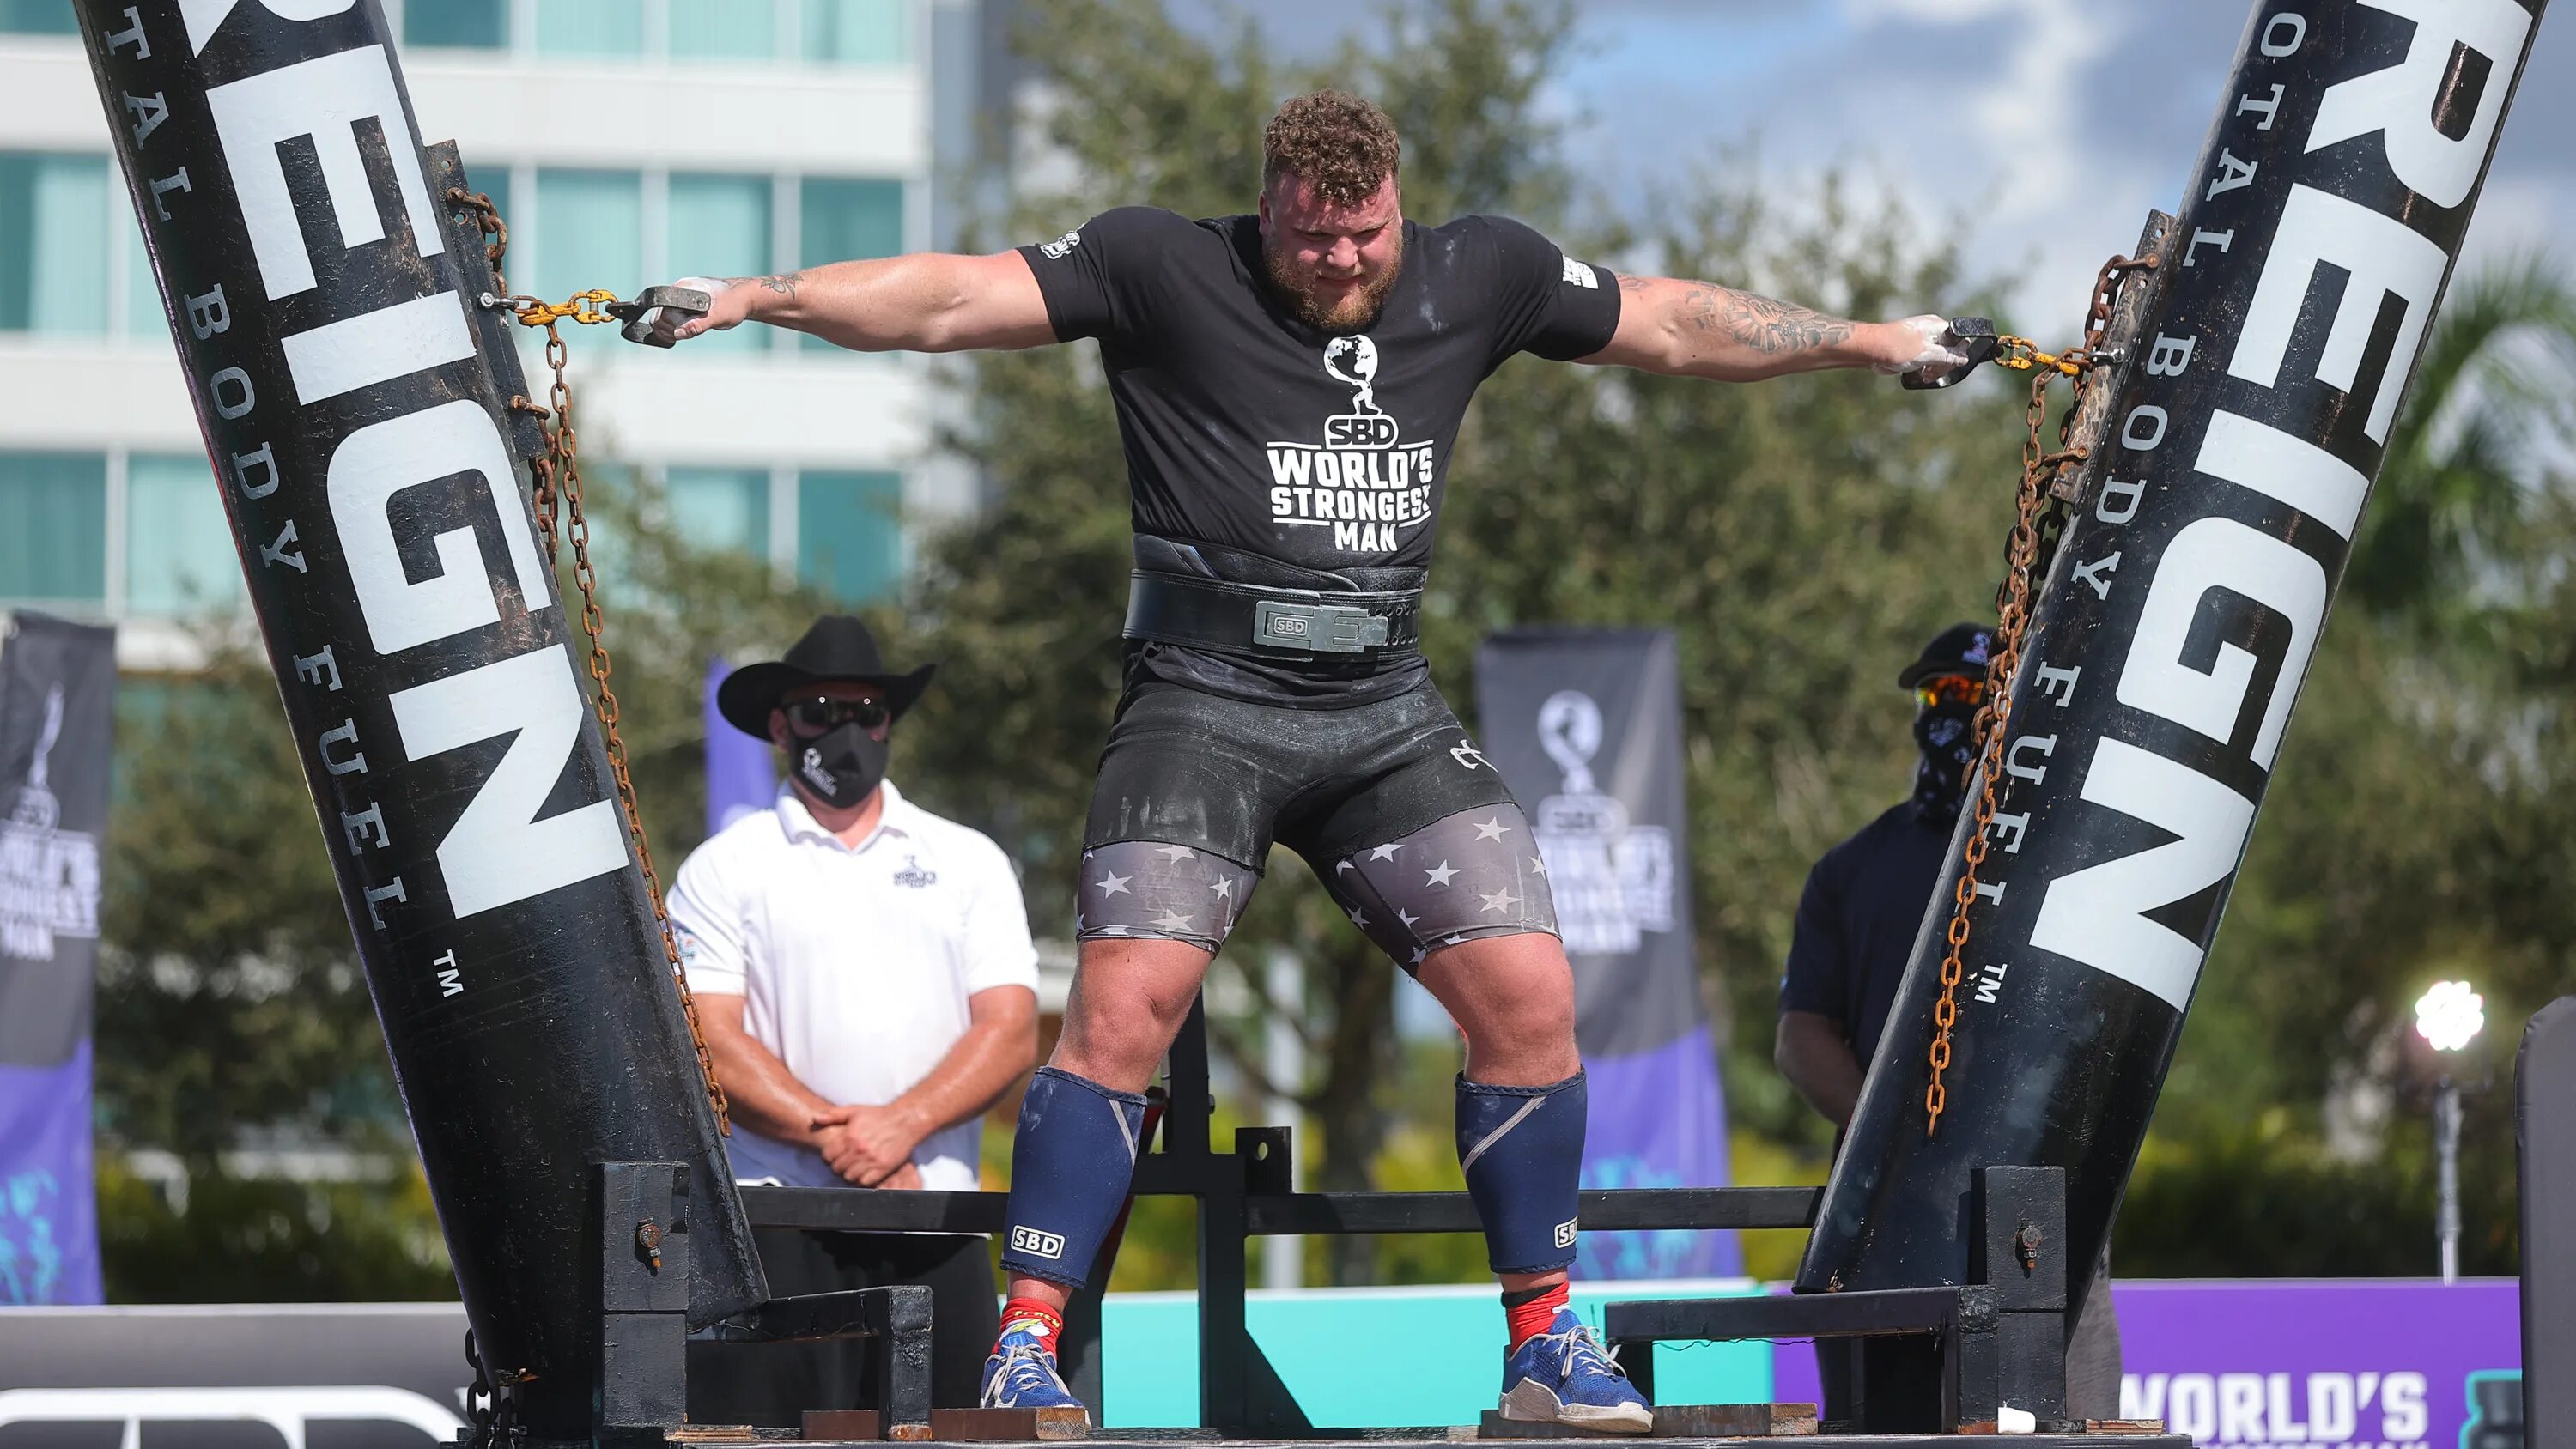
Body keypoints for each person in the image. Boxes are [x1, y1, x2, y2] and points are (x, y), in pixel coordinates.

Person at [641, 90, 1971, 1433]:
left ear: (1401, 203)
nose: (1340, 263)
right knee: (1121, 1015)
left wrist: (1871, 343)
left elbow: (1674, 321)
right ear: (1268, 206)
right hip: (1199, 701)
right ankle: (1024, 1348)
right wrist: (756, 296)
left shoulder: (1484, 270)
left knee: (1531, 998)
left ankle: (1545, 1346)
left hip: (1380, 706)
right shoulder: (1162, 264)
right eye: (1311, 239)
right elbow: (945, 299)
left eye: (1365, 237)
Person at [670, 615, 1041, 1422]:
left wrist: (899, 1129)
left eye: (865, 710)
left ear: (888, 722)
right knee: (766, 1441)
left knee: (953, 1440)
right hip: (774, 1219)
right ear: (779, 724)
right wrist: (846, 1139)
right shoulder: (725, 866)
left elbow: (1011, 1028)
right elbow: (708, 1039)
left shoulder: (968, 859)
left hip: (933, 1218)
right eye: (820, 710)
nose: (845, 730)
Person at [1775, 621, 2123, 1427]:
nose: (1959, 714)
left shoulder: (2065, 855)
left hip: (2041, 1207)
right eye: (1943, 694)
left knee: (2066, 1431)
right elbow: (1801, 1039)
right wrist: (1900, 1135)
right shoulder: (1851, 870)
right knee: (1891, 1431)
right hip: (1886, 1219)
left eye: (1978, 696)